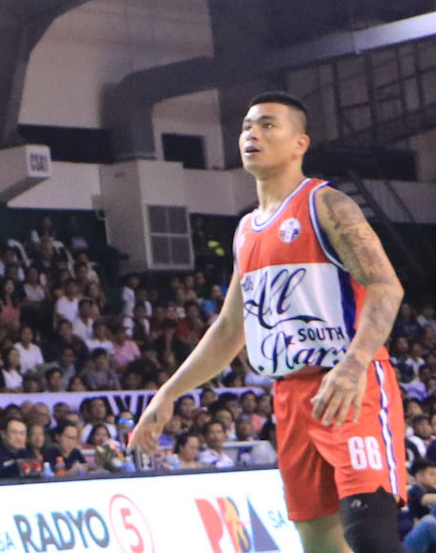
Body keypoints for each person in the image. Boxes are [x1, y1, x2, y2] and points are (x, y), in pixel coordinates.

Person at [131, 94, 409, 553]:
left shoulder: (327, 204)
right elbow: (227, 330)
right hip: (291, 396)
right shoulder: (245, 230)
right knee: (319, 542)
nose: (251, 135)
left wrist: (354, 365)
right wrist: (170, 392)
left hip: (351, 386)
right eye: (245, 127)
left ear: (300, 142)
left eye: (265, 125)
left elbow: (386, 286)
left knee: (370, 534)